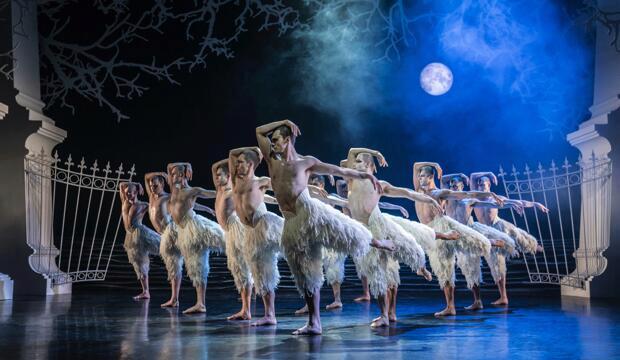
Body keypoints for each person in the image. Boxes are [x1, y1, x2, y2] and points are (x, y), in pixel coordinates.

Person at [256, 119, 394, 335]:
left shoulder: (305, 163)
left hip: (311, 213)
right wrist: (283, 121)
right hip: (292, 224)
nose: (272, 145)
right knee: (305, 275)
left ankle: (378, 242)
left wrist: (364, 174)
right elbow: (258, 131)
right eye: (271, 142)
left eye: (276, 140)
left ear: (288, 140)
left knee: (348, 232)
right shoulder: (272, 161)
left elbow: (339, 170)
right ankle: (314, 323)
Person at [470, 172, 547, 305]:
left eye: (484, 184)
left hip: (497, 226)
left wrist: (535, 204)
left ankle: (534, 246)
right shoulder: (475, 197)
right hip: (484, 232)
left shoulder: (496, 198)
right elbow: (472, 176)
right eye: (479, 184)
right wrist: (489, 173)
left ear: (489, 185)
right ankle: (503, 297)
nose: (481, 186)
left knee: (517, 233)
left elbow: (518, 202)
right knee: (496, 263)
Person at [229, 147, 284, 326]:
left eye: (241, 163)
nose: (237, 165)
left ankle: (271, 314)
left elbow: (286, 183)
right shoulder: (236, 183)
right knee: (260, 274)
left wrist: (312, 189)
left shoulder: (260, 181)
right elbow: (231, 153)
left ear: (251, 164)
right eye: (236, 163)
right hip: (250, 233)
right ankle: (268, 314)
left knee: (268, 270)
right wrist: (252, 149)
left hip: (265, 227)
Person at [167, 162, 225, 314]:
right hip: (182, 229)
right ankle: (198, 302)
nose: (171, 176)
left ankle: (201, 303)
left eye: (175, 174)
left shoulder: (192, 190)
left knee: (198, 263)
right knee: (193, 266)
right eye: (171, 174)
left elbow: (213, 193)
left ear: (182, 175)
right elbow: (187, 205)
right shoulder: (174, 190)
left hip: (193, 228)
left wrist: (228, 190)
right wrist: (186, 165)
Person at [211, 160, 253, 320]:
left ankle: (247, 309)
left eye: (219, 175)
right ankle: (245, 308)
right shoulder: (220, 189)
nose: (216, 176)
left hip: (236, 229)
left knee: (242, 267)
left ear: (228, 175)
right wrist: (230, 159)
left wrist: (233, 160)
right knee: (237, 269)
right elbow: (213, 167)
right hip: (228, 232)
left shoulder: (231, 190)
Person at [119, 181, 160, 300]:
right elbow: (121, 185)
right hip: (130, 236)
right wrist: (137, 183)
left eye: (130, 193)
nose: (128, 195)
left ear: (136, 192)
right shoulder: (124, 201)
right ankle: (146, 291)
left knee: (163, 244)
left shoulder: (143, 205)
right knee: (139, 264)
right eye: (127, 193)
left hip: (141, 233)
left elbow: (157, 211)